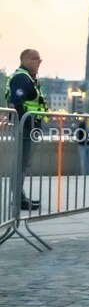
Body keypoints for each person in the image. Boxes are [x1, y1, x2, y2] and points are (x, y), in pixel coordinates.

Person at [4, 49, 46, 210]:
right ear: (25, 59)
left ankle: (20, 197)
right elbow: (16, 102)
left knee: (23, 164)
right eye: (36, 59)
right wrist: (25, 124)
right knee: (21, 165)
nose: (39, 62)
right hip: (26, 128)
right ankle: (18, 200)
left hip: (29, 128)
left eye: (40, 60)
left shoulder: (29, 78)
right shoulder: (21, 78)